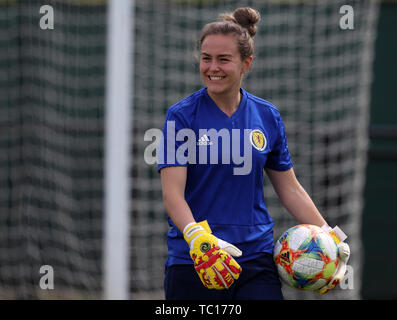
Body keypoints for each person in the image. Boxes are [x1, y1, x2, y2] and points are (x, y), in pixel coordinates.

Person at [158, 7, 350, 300]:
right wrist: (199, 240)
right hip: (196, 261)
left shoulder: (267, 116)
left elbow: (289, 187)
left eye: (224, 59)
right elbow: (173, 195)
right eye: (206, 58)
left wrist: (329, 234)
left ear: (246, 63)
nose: (213, 67)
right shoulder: (181, 116)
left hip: (256, 259)